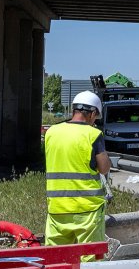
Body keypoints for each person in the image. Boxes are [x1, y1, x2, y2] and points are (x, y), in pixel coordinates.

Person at [44, 91, 112, 259]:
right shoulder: (93, 134)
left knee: (55, 258)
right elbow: (103, 168)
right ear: (93, 113)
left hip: (57, 208)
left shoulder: (52, 132)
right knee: (90, 261)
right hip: (87, 210)